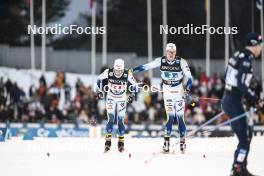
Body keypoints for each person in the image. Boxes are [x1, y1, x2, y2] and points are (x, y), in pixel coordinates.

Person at [133, 43, 193, 153]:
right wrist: (132, 71)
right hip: (167, 92)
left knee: (180, 118)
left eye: (173, 52)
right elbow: (146, 66)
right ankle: (166, 143)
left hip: (179, 91)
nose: (171, 54)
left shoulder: (181, 62)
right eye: (169, 52)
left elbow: (190, 78)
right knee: (170, 117)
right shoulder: (160, 61)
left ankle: (182, 142)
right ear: (166, 52)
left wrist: (187, 89)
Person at [221, 33, 262, 176]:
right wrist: (254, 97)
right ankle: (237, 170)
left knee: (247, 134)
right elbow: (241, 84)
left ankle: (241, 168)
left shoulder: (238, 54)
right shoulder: (245, 60)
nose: (261, 49)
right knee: (245, 138)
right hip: (232, 101)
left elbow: (226, 76)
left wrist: (240, 93)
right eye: (260, 46)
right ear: (254, 45)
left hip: (231, 99)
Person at [96, 59, 138, 153]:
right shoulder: (109, 72)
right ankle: (108, 142)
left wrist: (132, 95)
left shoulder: (127, 74)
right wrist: (99, 90)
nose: (118, 72)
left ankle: (121, 143)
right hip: (111, 97)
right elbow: (99, 79)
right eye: (117, 70)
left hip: (121, 98)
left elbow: (135, 85)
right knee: (111, 118)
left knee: (120, 120)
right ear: (114, 67)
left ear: (123, 69)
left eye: (120, 70)